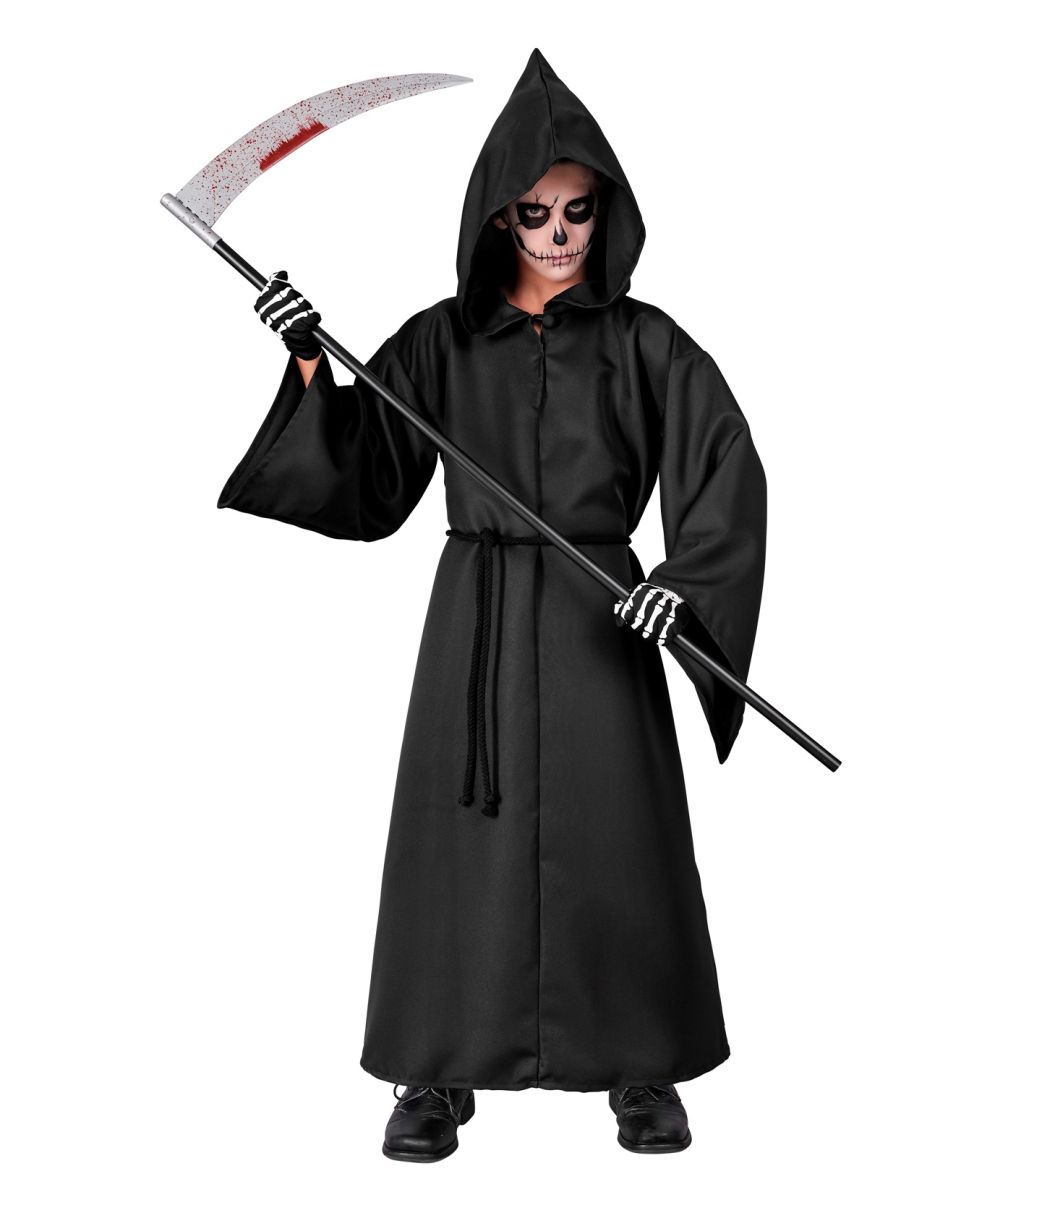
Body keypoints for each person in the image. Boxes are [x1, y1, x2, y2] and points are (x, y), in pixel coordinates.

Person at [217, 48, 767, 1160]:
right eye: (534, 213)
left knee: (621, 838)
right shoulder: (440, 338)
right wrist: (313, 363)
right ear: (497, 219)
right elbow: (372, 475)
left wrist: (678, 588)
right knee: (457, 835)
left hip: (605, 614)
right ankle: (435, 1066)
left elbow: (725, 469)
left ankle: (641, 1060)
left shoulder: (647, 342)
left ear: (604, 209)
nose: (559, 235)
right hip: (477, 610)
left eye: (577, 211)